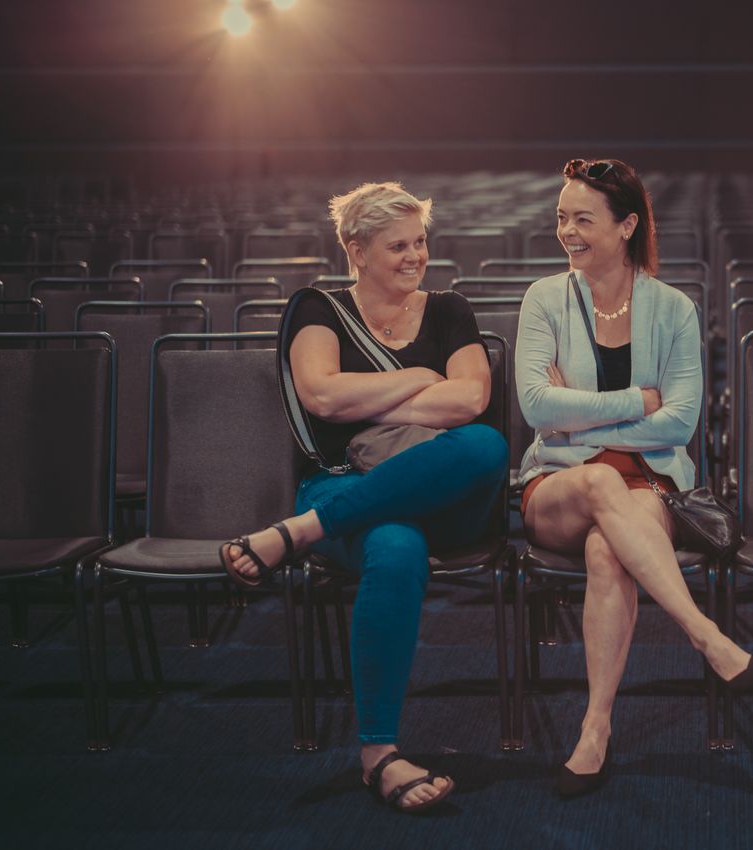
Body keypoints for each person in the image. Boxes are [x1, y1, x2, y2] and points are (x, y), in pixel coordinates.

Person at [219, 181, 507, 814]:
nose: (416, 257)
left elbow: (469, 400)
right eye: (398, 245)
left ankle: (295, 534)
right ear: (356, 248)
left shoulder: (450, 309)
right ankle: (380, 755)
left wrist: (368, 398)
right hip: (343, 480)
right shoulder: (316, 308)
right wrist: (416, 378)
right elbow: (321, 397)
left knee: (485, 446)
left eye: (421, 242)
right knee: (396, 545)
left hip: (440, 494)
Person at [515, 158, 753, 798]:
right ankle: (704, 634)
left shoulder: (674, 309)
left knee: (610, 550)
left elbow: (679, 425)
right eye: (561, 218)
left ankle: (595, 728)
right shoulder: (544, 298)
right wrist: (635, 401)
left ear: (626, 225)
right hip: (560, 484)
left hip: (646, 481)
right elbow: (537, 409)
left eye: (583, 219)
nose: (566, 232)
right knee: (601, 488)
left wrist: (584, 423)